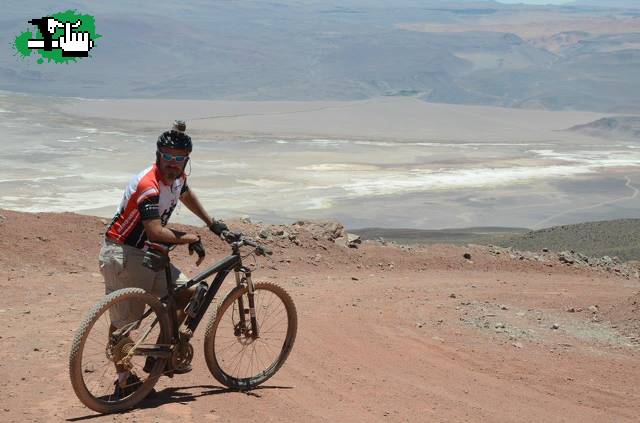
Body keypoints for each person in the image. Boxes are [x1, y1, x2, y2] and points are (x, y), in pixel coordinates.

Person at [99, 120, 228, 395]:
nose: (173, 163)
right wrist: (191, 237)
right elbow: (156, 231)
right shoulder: (148, 185)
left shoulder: (177, 177)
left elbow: (185, 193)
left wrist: (211, 222)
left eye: (179, 159)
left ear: (186, 161)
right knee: (125, 322)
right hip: (125, 253)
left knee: (190, 292)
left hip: (148, 252)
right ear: (158, 155)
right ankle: (124, 381)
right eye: (167, 157)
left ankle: (160, 357)